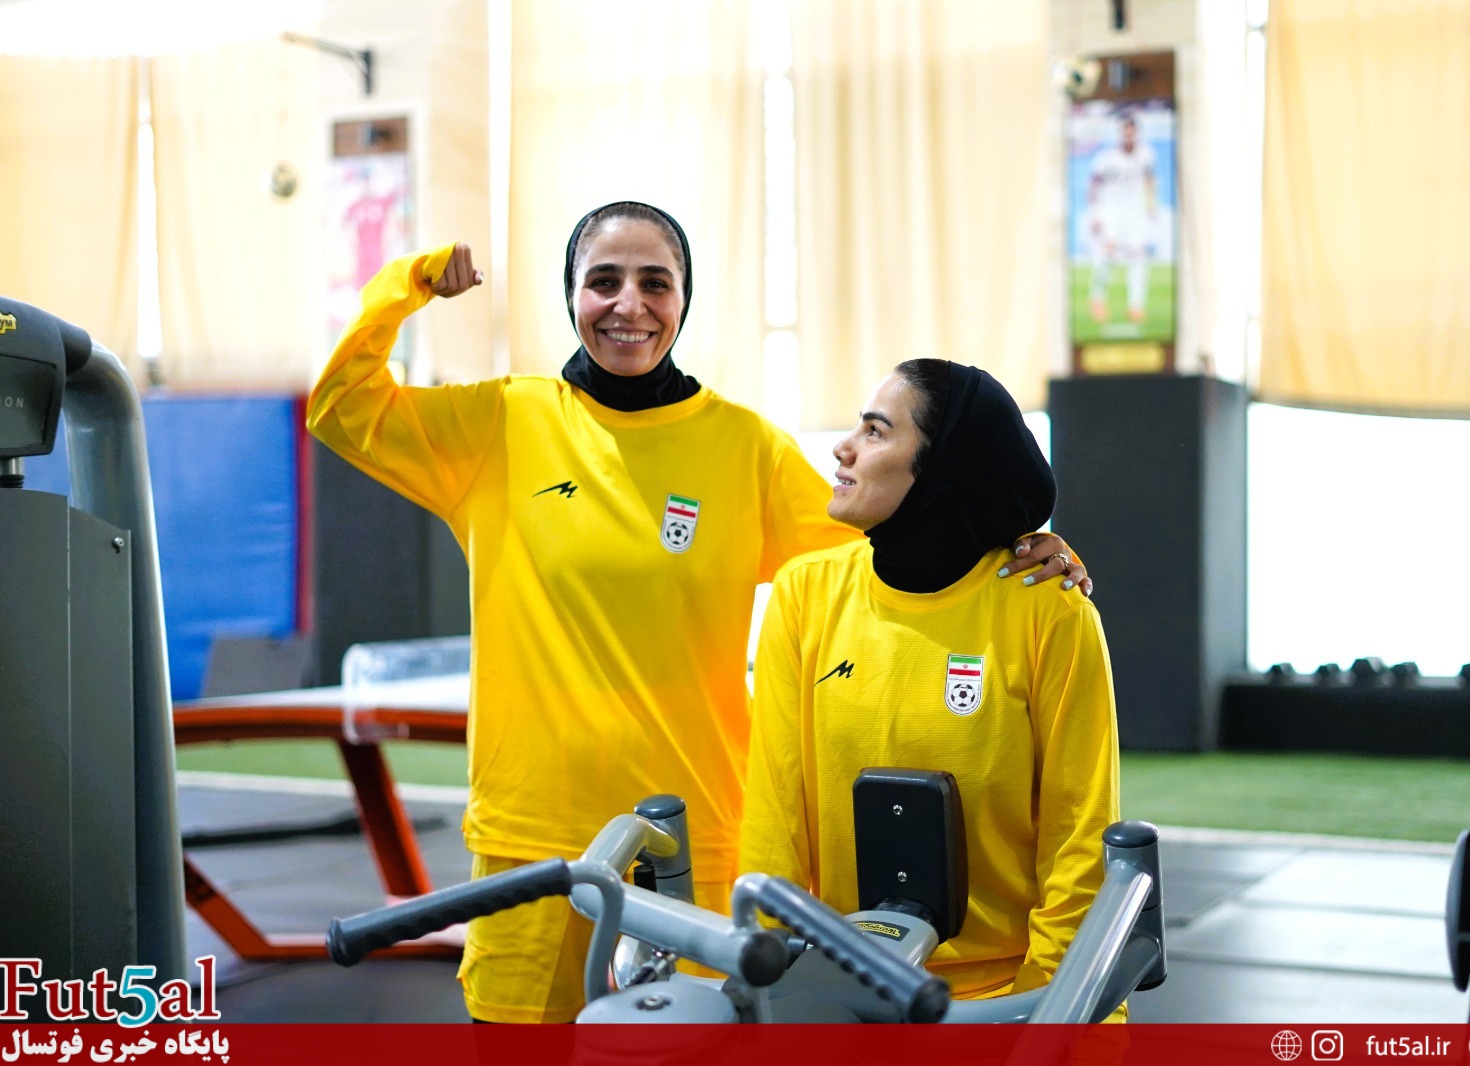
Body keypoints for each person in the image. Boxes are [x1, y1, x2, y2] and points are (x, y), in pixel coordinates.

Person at [306, 202, 1089, 1023]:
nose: (629, 304)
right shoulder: (499, 423)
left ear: (685, 298)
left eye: (656, 282)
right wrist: (409, 283)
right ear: (569, 295)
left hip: (699, 836)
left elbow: (902, 539)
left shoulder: (744, 448)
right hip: (531, 834)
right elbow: (340, 406)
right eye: (603, 281)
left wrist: (1019, 544)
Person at [739, 358, 1121, 1011]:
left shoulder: (1050, 611)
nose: (843, 447)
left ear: (944, 466)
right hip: (843, 982)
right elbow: (775, 815)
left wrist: (1047, 1008)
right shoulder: (803, 594)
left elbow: (1080, 837)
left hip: (1003, 995)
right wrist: (772, 979)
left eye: (876, 431)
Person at [1086, 113, 1157, 326]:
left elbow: (1149, 179)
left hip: (1134, 211)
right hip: (1111, 210)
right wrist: (1095, 214)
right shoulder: (1106, 157)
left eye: (1132, 132)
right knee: (1108, 255)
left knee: (1138, 256)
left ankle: (1136, 306)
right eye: (1125, 132)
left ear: (1137, 133)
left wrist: (1151, 205)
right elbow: (1094, 184)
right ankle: (1097, 300)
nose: (1129, 136)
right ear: (1120, 134)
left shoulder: (1146, 154)